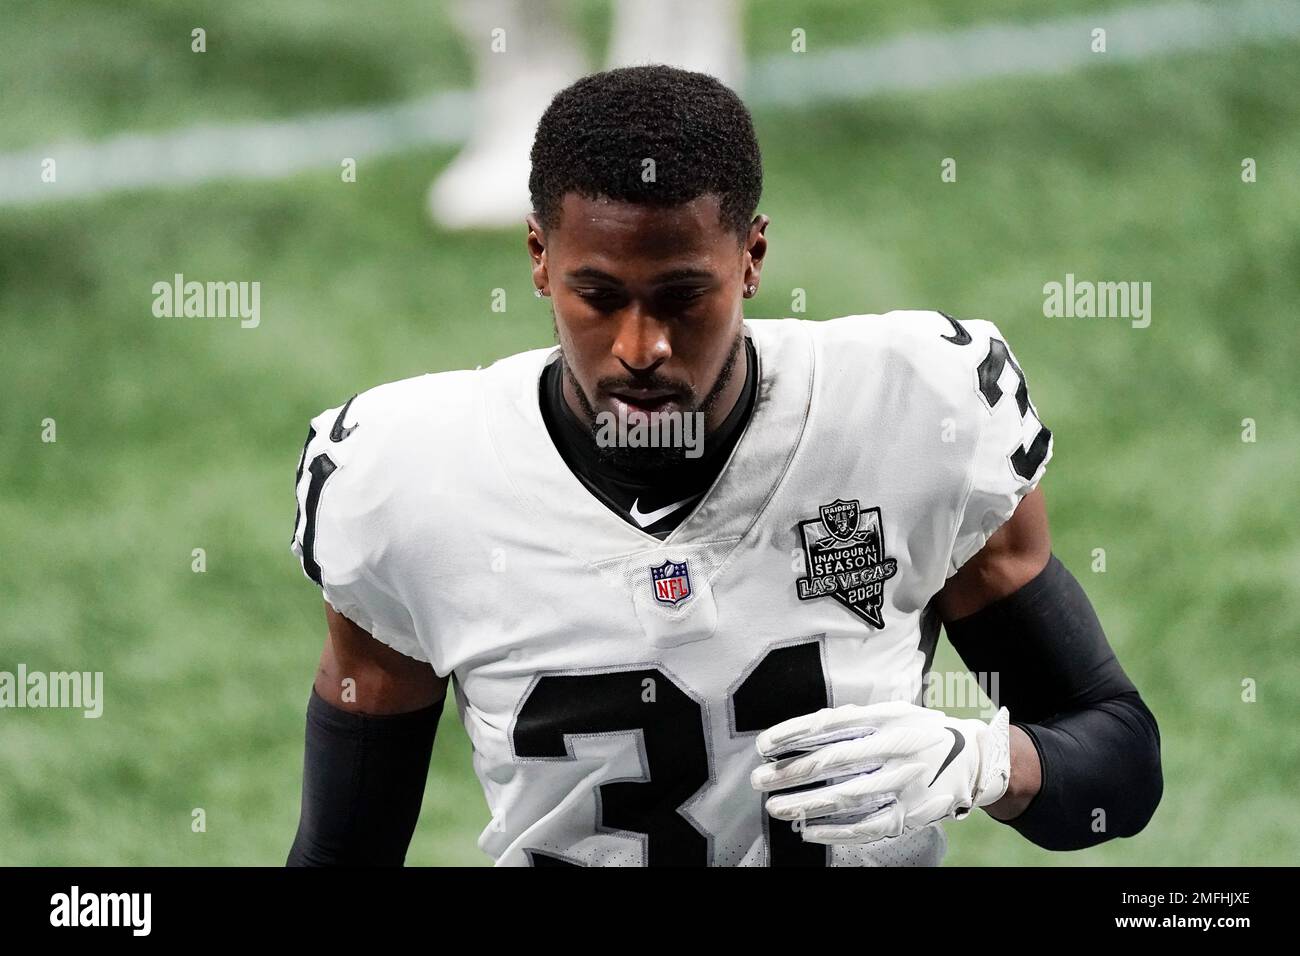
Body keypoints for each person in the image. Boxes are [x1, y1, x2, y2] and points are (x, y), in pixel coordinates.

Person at [287, 65, 1162, 866]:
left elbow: (1122, 771)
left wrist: (983, 762)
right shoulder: (406, 481)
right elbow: (342, 856)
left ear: (750, 258)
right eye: (599, 297)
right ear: (539, 259)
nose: (641, 347)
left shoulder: (917, 410)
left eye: (681, 295)